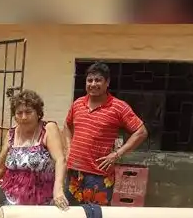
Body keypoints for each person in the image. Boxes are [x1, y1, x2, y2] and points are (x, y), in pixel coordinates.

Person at [64, 62, 149, 205]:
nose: (93, 84)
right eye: (89, 80)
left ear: (107, 82)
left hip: (99, 176)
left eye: (98, 80)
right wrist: (68, 148)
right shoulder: (78, 104)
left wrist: (117, 154)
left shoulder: (118, 107)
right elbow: (67, 125)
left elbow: (141, 132)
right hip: (74, 173)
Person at [0, 89, 68, 211]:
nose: (24, 117)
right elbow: (0, 166)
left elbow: (60, 159)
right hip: (13, 203)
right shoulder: (11, 134)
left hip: (43, 203)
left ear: (38, 113)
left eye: (28, 112)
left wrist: (58, 189)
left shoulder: (48, 129)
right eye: (19, 113)